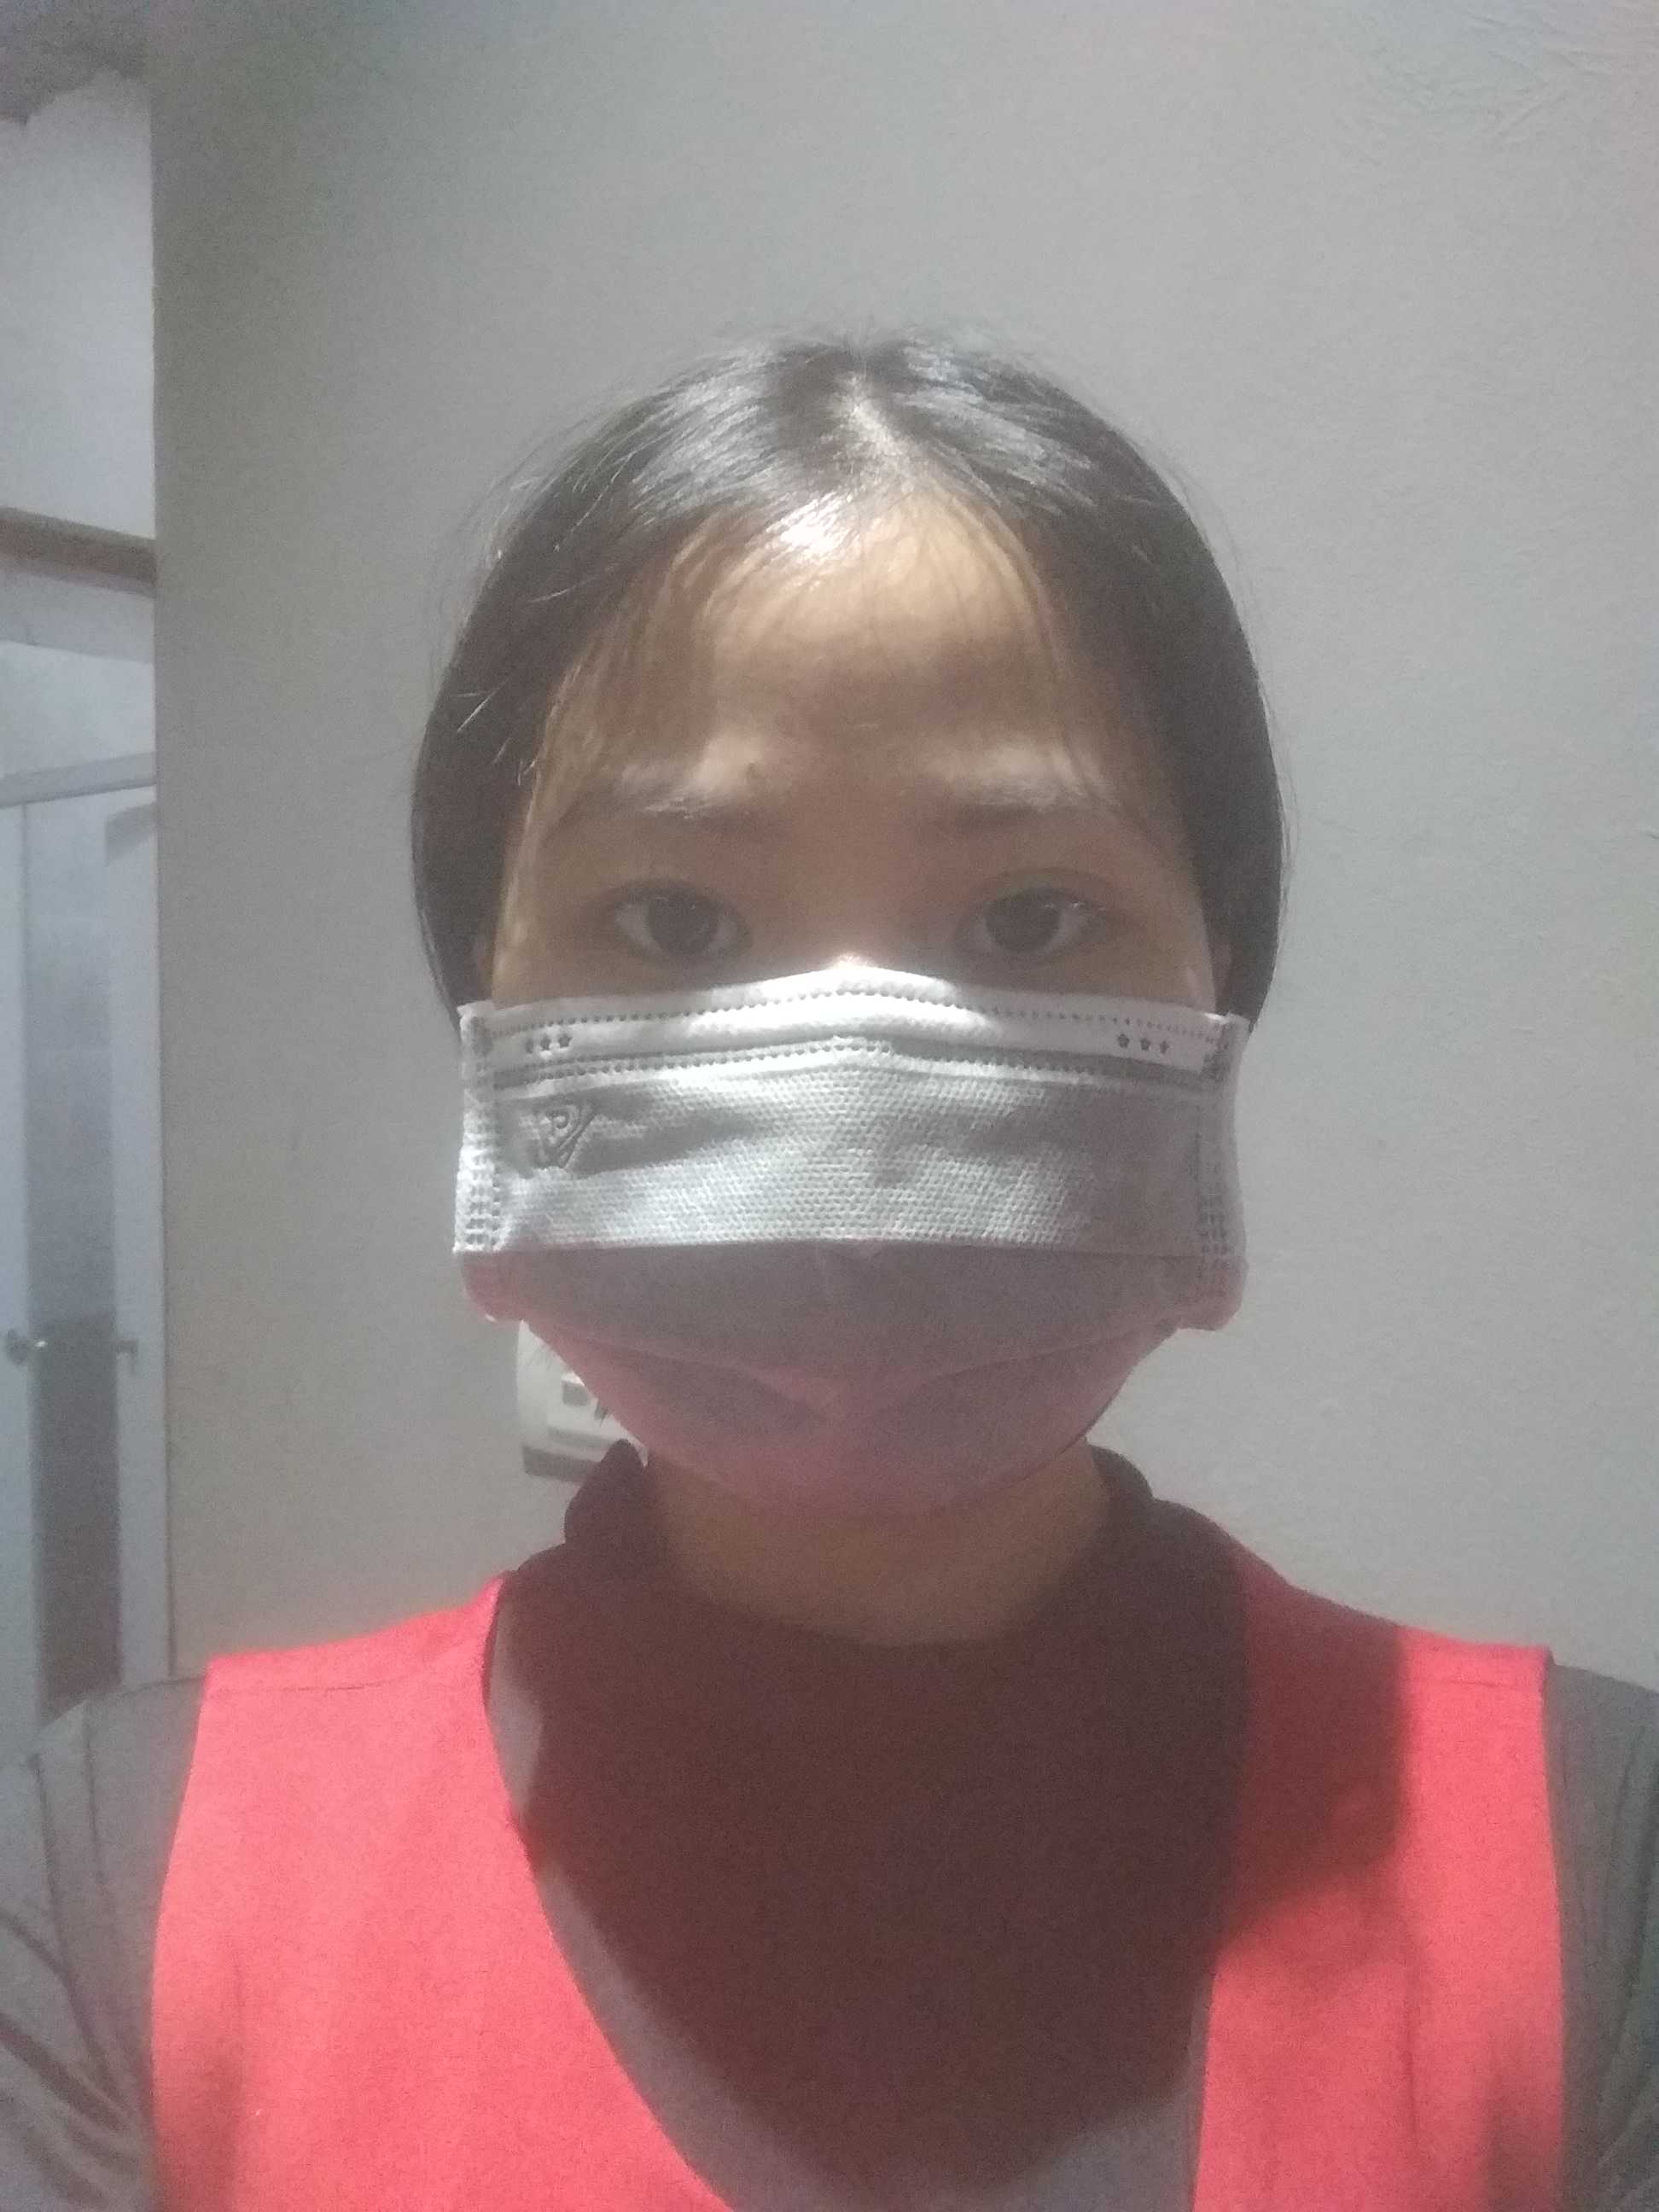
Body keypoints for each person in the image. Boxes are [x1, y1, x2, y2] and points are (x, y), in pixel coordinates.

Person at [1, 334, 1653, 2210]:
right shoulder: (124, 1872)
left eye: (1033, 915)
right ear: (488, 1011)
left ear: (1221, 992)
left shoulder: (1592, 1856)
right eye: (674, 918)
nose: (855, 1097)